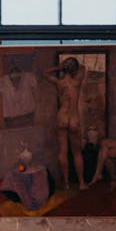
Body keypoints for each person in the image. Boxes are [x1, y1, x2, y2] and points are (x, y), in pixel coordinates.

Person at [42, 56, 87, 189]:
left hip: (62, 116)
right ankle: (81, 183)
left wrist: (59, 67)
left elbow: (44, 73)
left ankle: (66, 183)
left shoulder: (59, 82)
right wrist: (71, 67)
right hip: (74, 117)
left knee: (62, 151)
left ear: (64, 68)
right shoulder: (77, 80)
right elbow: (82, 67)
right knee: (77, 152)